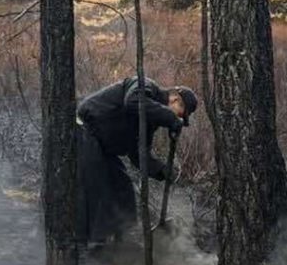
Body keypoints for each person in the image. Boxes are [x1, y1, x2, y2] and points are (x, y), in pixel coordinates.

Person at [75, 77, 197, 245]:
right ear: (175, 98)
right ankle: (89, 247)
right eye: (180, 113)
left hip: (103, 149)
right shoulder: (145, 85)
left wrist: (161, 170)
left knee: (124, 190)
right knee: (100, 188)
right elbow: (132, 102)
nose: (178, 118)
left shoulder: (150, 121)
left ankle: (121, 243)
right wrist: (170, 117)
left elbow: (138, 155)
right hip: (84, 132)